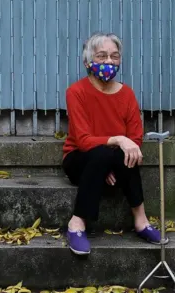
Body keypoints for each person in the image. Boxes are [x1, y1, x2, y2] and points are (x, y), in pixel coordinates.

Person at [62, 32, 165, 255]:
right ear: (88, 61)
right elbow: (83, 140)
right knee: (103, 154)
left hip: (113, 162)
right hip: (79, 159)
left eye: (114, 56)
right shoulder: (76, 92)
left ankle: (141, 220)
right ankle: (77, 223)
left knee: (123, 154)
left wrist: (114, 159)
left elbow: (135, 140)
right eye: (102, 56)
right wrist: (118, 139)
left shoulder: (127, 94)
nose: (109, 62)